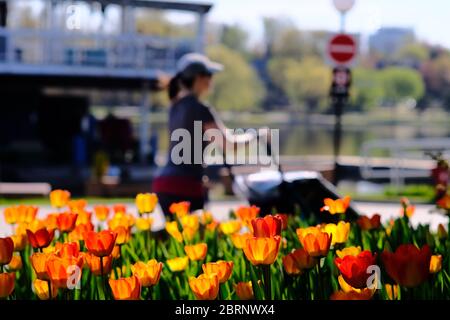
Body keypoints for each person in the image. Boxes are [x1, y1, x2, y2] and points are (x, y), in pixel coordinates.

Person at [152, 53, 258, 216]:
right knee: (195, 237)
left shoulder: (174, 107)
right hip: (185, 185)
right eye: (209, 75)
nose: (212, 80)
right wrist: (254, 136)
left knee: (175, 237)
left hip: (163, 183)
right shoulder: (200, 109)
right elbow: (229, 145)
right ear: (199, 78)